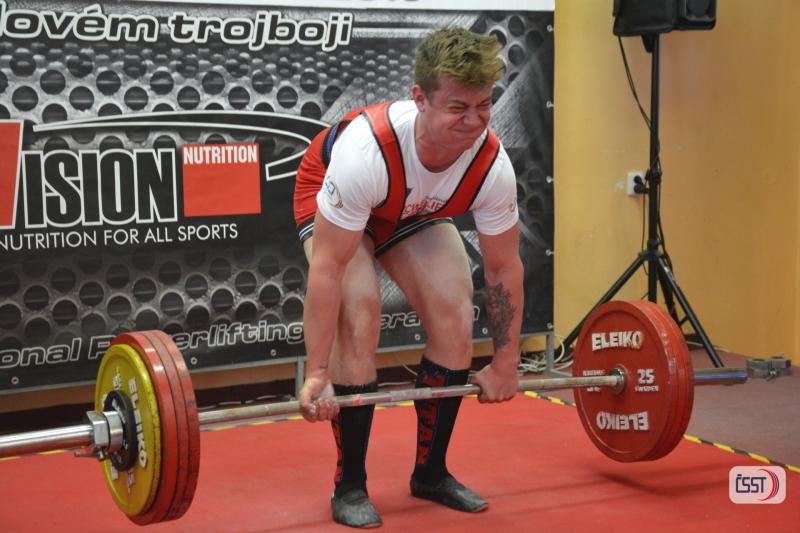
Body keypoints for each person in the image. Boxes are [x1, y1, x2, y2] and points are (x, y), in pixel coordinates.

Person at [293, 27, 523, 528]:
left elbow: (503, 268)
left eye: (483, 105)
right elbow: (328, 270)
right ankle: (350, 484)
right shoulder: (366, 153)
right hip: (339, 191)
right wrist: (317, 373)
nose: (474, 120)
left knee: (455, 310)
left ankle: (431, 473)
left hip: (410, 207)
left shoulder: (491, 165)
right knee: (359, 312)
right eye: (458, 107)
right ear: (420, 98)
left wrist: (506, 362)